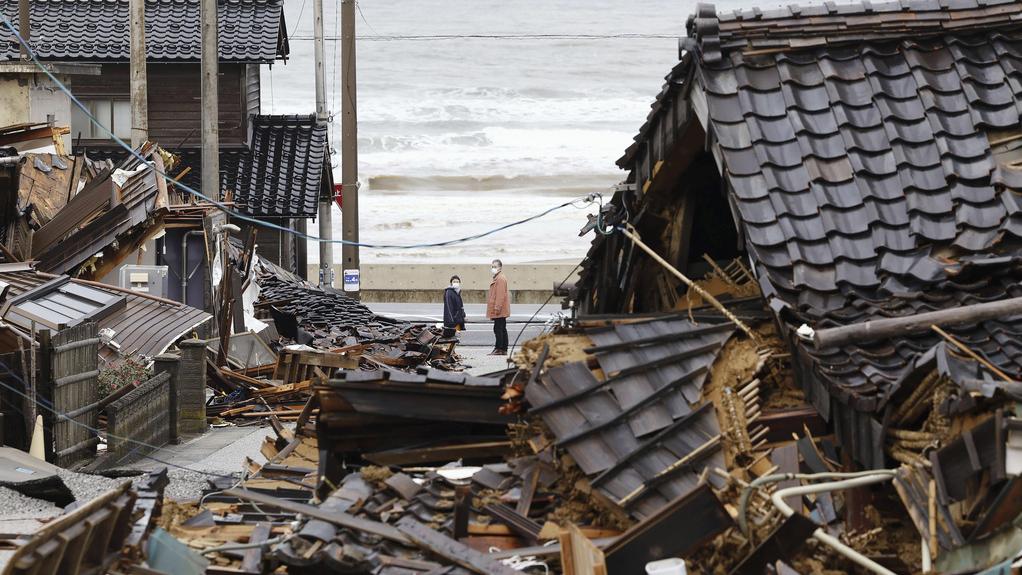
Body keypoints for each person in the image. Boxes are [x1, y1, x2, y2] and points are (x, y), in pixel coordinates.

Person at [486, 259, 510, 355]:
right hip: (501, 308)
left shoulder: (500, 279)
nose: (493, 268)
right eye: (492, 266)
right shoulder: (499, 278)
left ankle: (499, 348)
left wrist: (497, 308)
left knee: (498, 328)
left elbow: (500, 295)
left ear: (500, 267)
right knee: (502, 328)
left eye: (495, 267)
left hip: (499, 309)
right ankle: (504, 348)